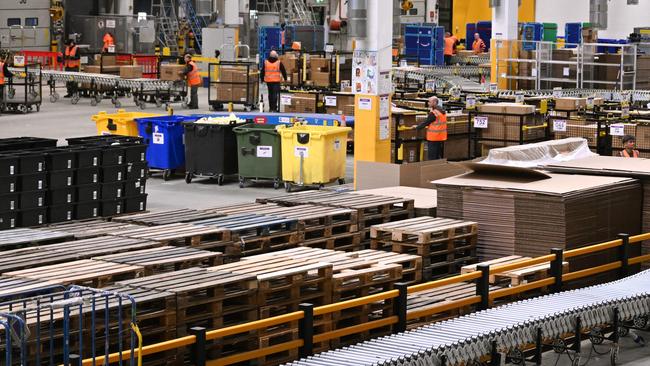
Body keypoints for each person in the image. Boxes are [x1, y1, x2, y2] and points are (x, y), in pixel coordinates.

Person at [416, 96, 447, 160]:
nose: (428, 103)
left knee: (432, 157)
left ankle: (432, 168)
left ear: (435, 102)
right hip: (440, 137)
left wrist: (417, 127)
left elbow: (426, 122)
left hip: (433, 138)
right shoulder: (441, 110)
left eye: (430, 102)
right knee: (437, 156)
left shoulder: (434, 113)